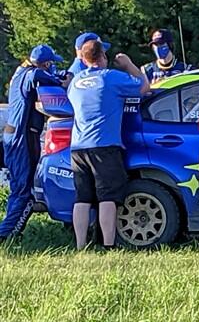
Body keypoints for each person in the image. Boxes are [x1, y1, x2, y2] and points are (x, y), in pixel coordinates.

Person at [67, 40, 150, 250]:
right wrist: (129, 64)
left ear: (84, 59)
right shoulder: (110, 78)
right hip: (104, 144)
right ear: (102, 56)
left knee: (82, 198)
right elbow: (144, 86)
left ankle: (80, 245)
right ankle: (108, 244)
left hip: (78, 146)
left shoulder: (75, 82)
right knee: (108, 197)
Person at [0, 45, 68, 240]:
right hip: (23, 137)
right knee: (24, 189)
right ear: (45, 63)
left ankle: (9, 229)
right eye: (51, 63)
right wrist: (59, 80)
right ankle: (6, 234)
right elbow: (41, 76)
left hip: (13, 134)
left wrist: (58, 73)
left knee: (17, 187)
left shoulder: (20, 71)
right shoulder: (32, 74)